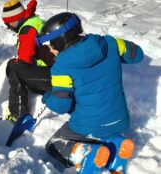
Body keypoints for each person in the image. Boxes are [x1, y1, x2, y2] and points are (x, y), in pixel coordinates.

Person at [38, 12, 144, 173]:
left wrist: (47, 97)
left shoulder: (61, 67)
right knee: (99, 131)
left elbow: (62, 106)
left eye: (51, 43)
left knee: (54, 145)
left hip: (90, 124)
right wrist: (120, 47)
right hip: (119, 120)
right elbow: (137, 55)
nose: (50, 48)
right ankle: (116, 144)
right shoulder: (110, 43)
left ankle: (85, 153)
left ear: (61, 40)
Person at [1, 0, 55, 122]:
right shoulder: (34, 21)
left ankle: (18, 114)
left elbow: (24, 62)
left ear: (16, 19)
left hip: (56, 77)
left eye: (9, 24)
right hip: (58, 69)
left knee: (13, 67)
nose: (9, 27)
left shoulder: (27, 31)